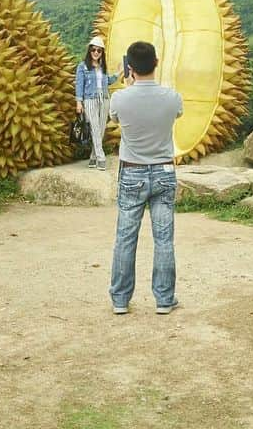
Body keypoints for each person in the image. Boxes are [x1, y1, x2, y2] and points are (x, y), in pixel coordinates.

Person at [108, 41, 183, 315]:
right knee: (164, 239)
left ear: (130, 68)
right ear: (157, 61)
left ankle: (120, 300)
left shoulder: (120, 99)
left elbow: (114, 118)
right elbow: (177, 113)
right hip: (164, 172)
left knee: (125, 238)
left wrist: (128, 85)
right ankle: (164, 299)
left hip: (132, 172)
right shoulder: (172, 97)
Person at [75, 36, 119, 170]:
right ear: (89, 51)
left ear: (102, 53)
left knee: (100, 129)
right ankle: (101, 157)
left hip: (104, 99)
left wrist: (119, 73)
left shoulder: (102, 67)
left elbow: (108, 81)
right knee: (94, 127)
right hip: (90, 99)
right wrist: (79, 102)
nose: (96, 53)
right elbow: (79, 84)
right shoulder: (82, 67)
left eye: (99, 51)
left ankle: (93, 157)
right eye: (93, 50)